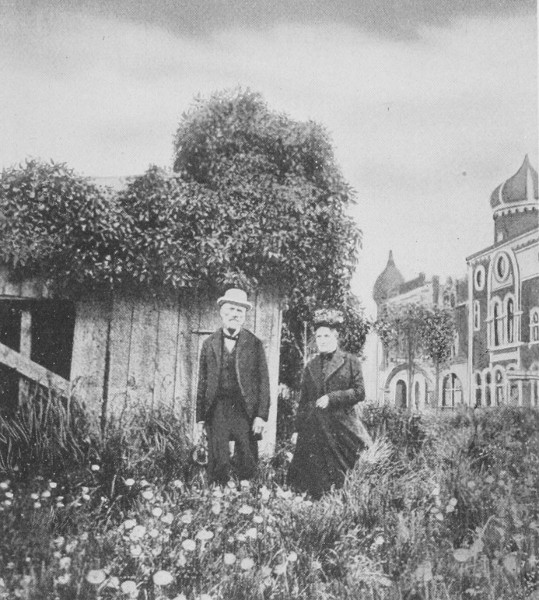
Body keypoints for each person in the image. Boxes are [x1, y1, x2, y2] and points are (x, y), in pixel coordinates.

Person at [288, 308, 371, 499]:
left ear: (336, 337)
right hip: (315, 426)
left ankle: (343, 502)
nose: (322, 340)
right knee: (311, 475)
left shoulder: (351, 362)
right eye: (319, 336)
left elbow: (360, 392)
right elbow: (304, 401)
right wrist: (297, 429)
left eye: (326, 336)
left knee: (346, 473)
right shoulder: (311, 366)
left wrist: (332, 398)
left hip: (342, 426)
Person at [196, 288, 270, 484]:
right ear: (222, 312)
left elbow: (264, 382)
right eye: (231, 309)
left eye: (240, 311)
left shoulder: (254, 343)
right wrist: (200, 417)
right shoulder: (209, 343)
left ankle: (247, 495)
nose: (235, 314)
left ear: (244, 316)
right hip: (217, 408)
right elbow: (202, 382)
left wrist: (261, 415)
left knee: (246, 458)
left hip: (245, 409)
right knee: (218, 460)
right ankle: (217, 494)